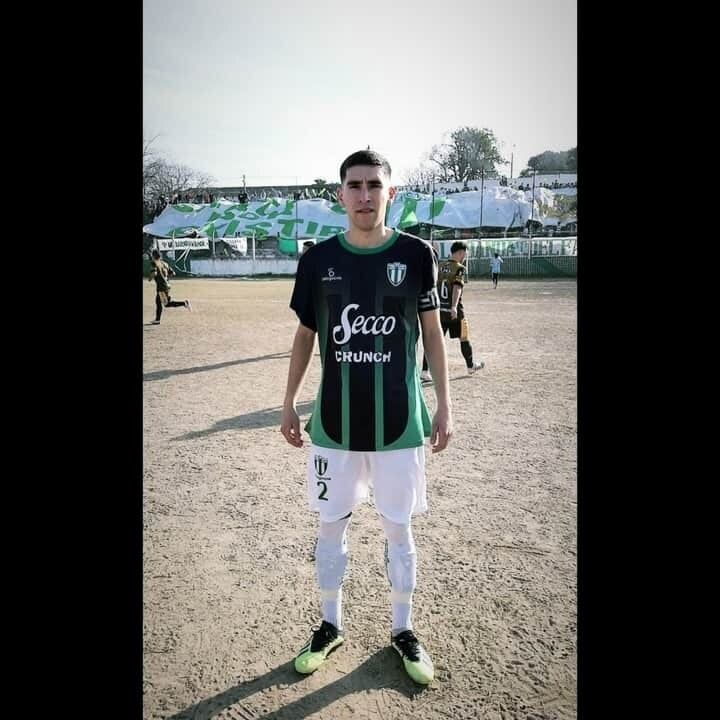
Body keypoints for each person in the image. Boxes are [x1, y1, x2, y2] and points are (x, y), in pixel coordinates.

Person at [280, 149, 453, 685]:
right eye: (353, 185)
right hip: (333, 426)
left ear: (390, 192)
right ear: (340, 194)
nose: (363, 195)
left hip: (400, 426)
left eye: (373, 185)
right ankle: (330, 624)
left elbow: (431, 332)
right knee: (330, 527)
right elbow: (307, 334)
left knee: (398, 530)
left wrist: (445, 402)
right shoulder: (317, 261)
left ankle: (403, 629)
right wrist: (288, 401)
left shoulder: (417, 254)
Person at [419, 241, 484, 383]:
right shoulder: (459, 268)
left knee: (433, 341)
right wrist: (454, 306)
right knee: (464, 337)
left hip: (438, 311)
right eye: (465, 253)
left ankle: (425, 371)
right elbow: (457, 288)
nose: (465, 256)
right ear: (461, 252)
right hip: (455, 312)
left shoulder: (439, 265)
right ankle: (470, 366)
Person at [148, 249, 191, 324]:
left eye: (152, 255)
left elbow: (154, 273)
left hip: (162, 287)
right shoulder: (164, 263)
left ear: (153, 256)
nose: (151, 257)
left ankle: (184, 303)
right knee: (158, 302)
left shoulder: (154, 263)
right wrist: (166, 279)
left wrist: (150, 278)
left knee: (166, 304)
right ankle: (157, 320)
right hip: (166, 285)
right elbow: (173, 273)